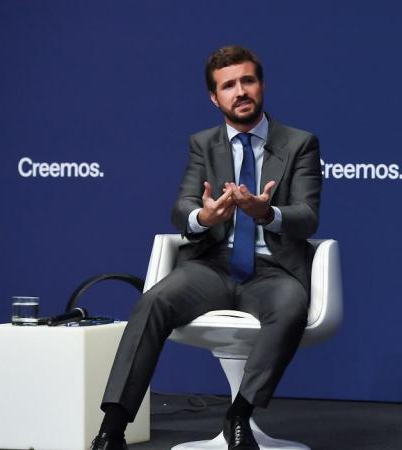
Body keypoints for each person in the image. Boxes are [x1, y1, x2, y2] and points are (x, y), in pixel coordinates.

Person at [90, 45, 322, 450]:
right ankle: (112, 428)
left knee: (290, 307)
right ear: (215, 98)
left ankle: (239, 414)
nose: (240, 91)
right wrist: (206, 218)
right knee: (152, 302)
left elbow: (307, 215)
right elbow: (182, 207)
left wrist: (268, 213)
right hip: (212, 266)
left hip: (273, 270)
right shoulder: (202, 143)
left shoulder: (299, 143)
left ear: (261, 85)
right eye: (228, 85)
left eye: (247, 81)